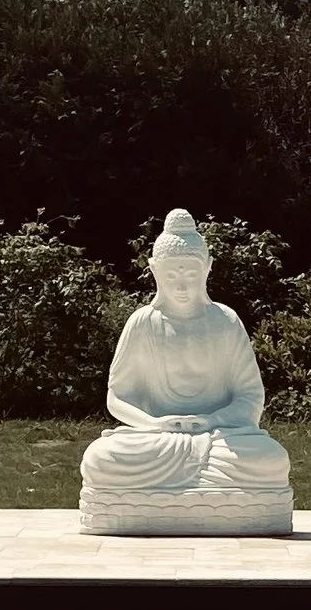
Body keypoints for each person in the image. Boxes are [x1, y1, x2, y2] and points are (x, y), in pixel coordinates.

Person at [78, 210, 293, 536]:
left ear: (206, 268)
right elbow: (116, 397)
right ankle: (207, 492)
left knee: (270, 460)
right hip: (156, 440)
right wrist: (153, 424)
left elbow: (250, 397)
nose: (181, 285)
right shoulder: (142, 323)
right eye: (172, 276)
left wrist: (211, 421)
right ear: (154, 271)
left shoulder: (226, 321)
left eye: (191, 275)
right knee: (101, 458)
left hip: (220, 437)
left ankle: (177, 490)